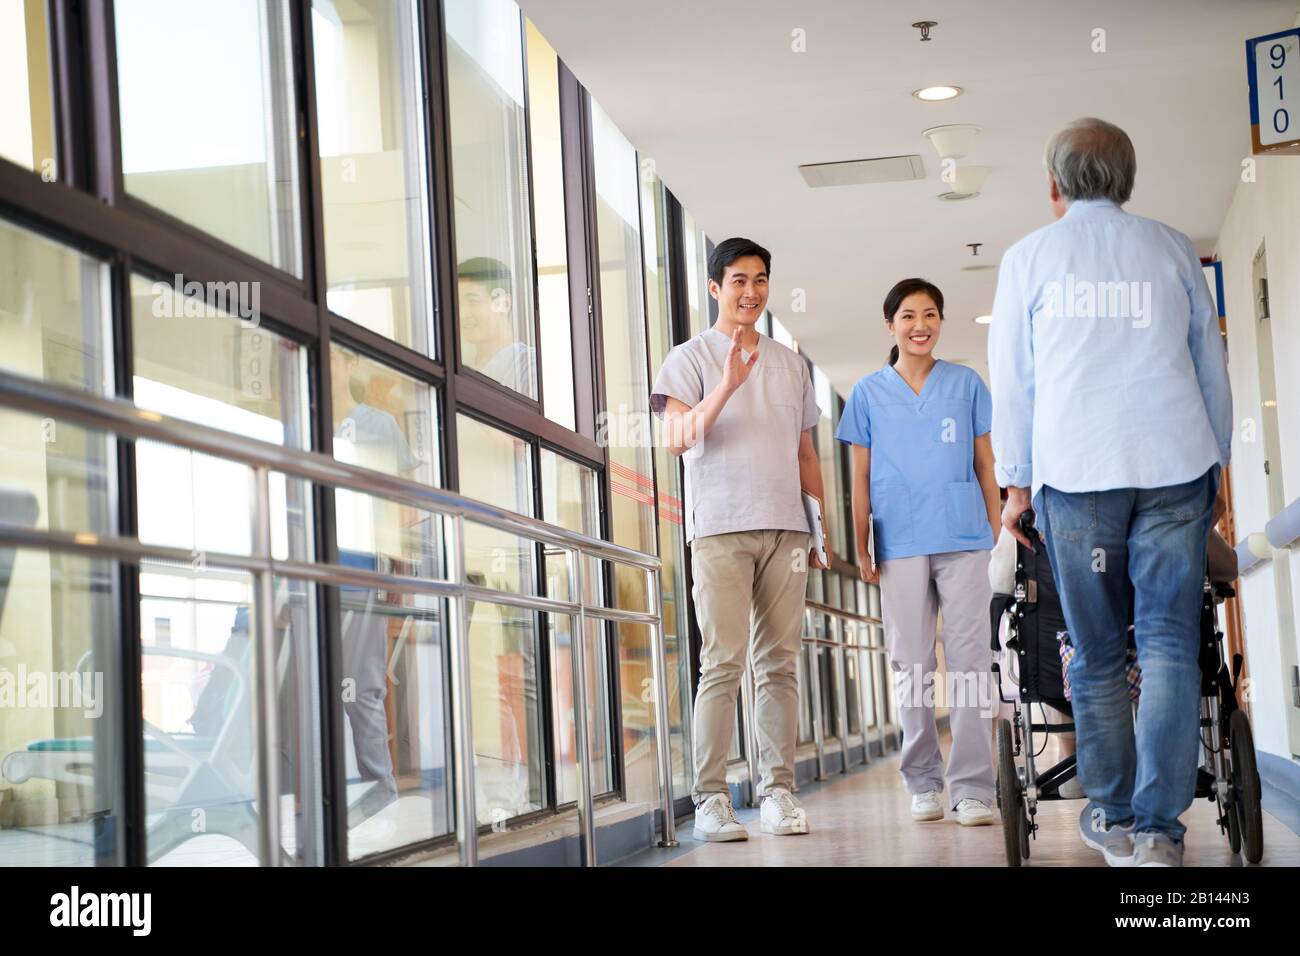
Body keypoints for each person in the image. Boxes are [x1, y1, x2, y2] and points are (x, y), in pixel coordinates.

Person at [989, 117, 1232, 867]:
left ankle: (1117, 818)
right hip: (1174, 465)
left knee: (1095, 653)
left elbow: (1016, 383)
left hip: (1079, 473)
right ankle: (1161, 831)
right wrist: (1214, 466)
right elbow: (1208, 363)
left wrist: (1015, 484)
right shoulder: (1170, 248)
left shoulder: (1028, 257)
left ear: (1054, 185)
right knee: (1168, 644)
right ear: (1127, 180)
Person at [651, 237, 827, 842]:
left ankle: (777, 792)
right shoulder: (688, 358)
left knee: (779, 665)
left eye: (759, 280)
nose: (750, 292)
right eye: (738, 281)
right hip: (720, 527)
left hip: (787, 529)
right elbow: (676, 438)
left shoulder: (791, 363)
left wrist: (819, 526)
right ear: (714, 288)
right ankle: (711, 799)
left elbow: (806, 452)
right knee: (722, 664)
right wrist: (724, 386)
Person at [838, 278, 1000, 827]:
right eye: (908, 315)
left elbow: (985, 463)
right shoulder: (866, 394)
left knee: (972, 661)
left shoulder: (966, 384)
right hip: (899, 539)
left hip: (963, 536)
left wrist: (996, 527)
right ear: (891, 325)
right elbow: (859, 477)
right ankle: (924, 781)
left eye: (930, 314)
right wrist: (860, 538)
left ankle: (974, 786)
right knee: (912, 663)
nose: (920, 325)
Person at [458, 257, 536, 396]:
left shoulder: (531, 365)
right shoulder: (462, 368)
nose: (462, 314)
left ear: (504, 304)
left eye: (472, 301)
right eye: (458, 304)